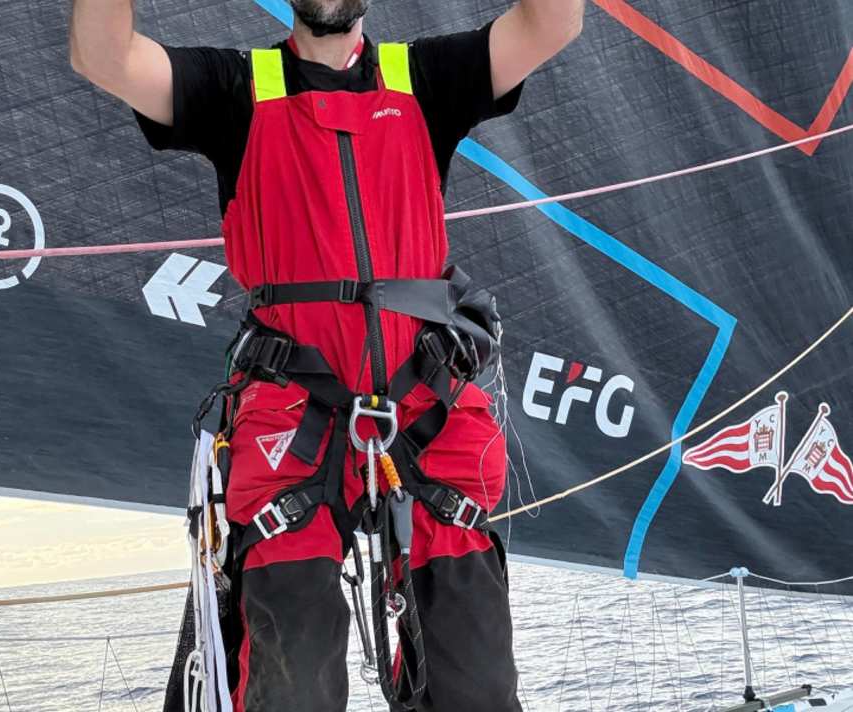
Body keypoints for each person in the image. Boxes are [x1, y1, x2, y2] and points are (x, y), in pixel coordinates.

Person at [70, 1, 583, 709]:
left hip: (425, 413)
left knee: (479, 687)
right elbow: (103, 56)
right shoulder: (236, 90)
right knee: (292, 679)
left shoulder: (424, 80)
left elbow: (552, 23)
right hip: (294, 424)